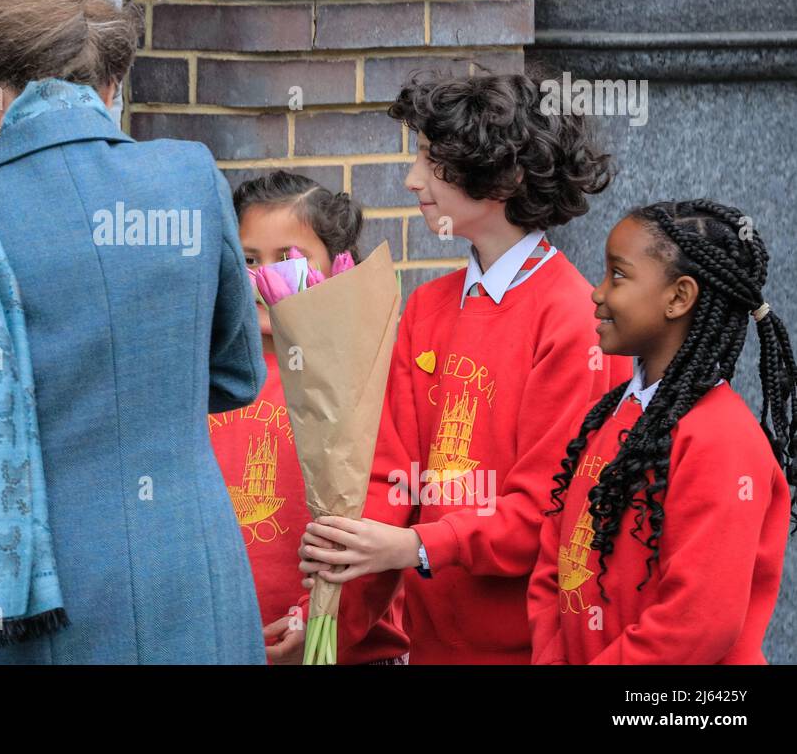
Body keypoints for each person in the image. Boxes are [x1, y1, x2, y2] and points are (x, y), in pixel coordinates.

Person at [0, 0, 267, 664]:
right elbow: (236, 375)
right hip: (194, 579)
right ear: (111, 86)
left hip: (39, 604)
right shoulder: (191, 179)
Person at [299, 70, 628, 663]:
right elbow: (386, 481)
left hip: (527, 647)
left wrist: (412, 546)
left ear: (506, 176)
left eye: (432, 161)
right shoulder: (428, 304)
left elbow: (546, 512)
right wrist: (328, 617)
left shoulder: (572, 320)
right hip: (430, 641)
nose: (411, 180)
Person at [528, 201, 795, 663]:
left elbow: (696, 626)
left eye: (618, 276)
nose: (597, 293)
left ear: (678, 297)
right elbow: (552, 562)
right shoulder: (602, 418)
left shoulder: (722, 441)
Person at [212, 170, 407, 664]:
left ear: (338, 266)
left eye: (288, 260)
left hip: (335, 643)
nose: (264, 278)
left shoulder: (362, 374)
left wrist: (320, 623)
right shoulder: (207, 376)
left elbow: (381, 515)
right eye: (248, 259)